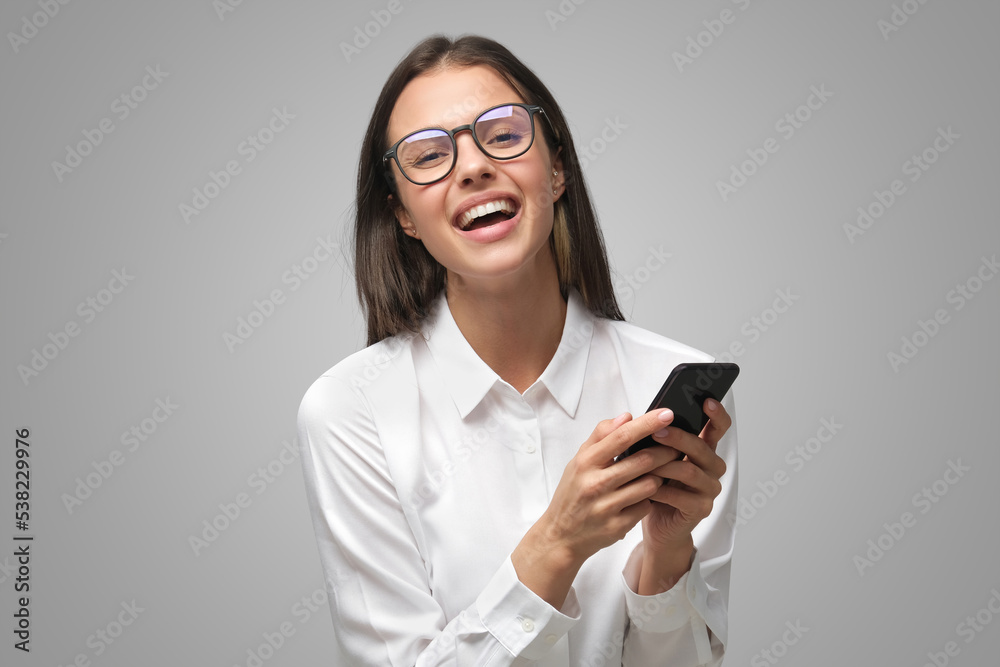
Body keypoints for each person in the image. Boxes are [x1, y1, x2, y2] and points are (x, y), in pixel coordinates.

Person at [297, 34, 738, 666]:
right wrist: (557, 544)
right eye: (428, 155)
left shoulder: (673, 387)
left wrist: (667, 557)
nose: (473, 166)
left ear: (556, 170)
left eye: (503, 135)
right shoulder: (349, 412)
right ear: (403, 216)